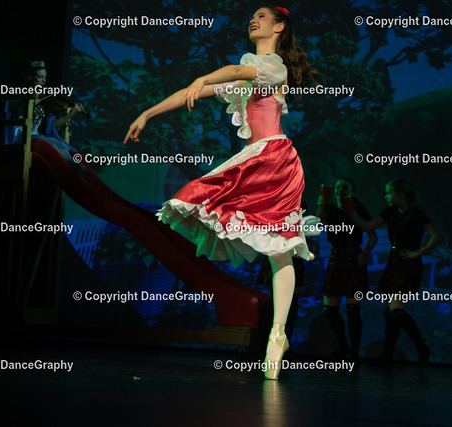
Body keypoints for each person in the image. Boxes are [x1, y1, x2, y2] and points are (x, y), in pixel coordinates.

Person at [125, 6, 318, 380]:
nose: (253, 20)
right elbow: (197, 91)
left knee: (281, 249)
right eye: (252, 16)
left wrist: (203, 76)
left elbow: (233, 72)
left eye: (262, 16)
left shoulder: (274, 66)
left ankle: (278, 334)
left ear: (279, 26)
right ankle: (277, 335)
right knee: (201, 199)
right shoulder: (249, 76)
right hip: (256, 156)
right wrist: (148, 113)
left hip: (276, 159)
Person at [346, 178, 444, 364]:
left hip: (408, 264)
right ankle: (417, 348)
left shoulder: (416, 214)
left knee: (394, 312)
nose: (386, 196)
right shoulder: (390, 212)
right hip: (394, 262)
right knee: (391, 312)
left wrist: (418, 252)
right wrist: (350, 211)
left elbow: (437, 236)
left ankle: (391, 355)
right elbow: (367, 226)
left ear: (401, 194)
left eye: (389, 193)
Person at [317, 178, 377, 360]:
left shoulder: (359, 209)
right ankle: (343, 346)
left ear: (352, 191)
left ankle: (355, 353)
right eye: (337, 187)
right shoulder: (330, 209)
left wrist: (364, 253)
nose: (340, 190)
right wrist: (321, 205)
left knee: (352, 310)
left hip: (353, 258)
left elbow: (372, 236)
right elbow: (316, 224)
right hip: (336, 258)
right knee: (329, 310)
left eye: (344, 187)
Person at [4, 60, 86, 172]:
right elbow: (8, 102)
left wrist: (72, 113)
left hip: (36, 136)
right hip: (20, 136)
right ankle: (71, 165)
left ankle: (74, 165)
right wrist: (27, 100)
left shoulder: (43, 99)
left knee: (59, 143)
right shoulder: (20, 93)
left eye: (45, 78)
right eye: (40, 77)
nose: (43, 81)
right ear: (30, 76)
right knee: (46, 141)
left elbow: (53, 126)